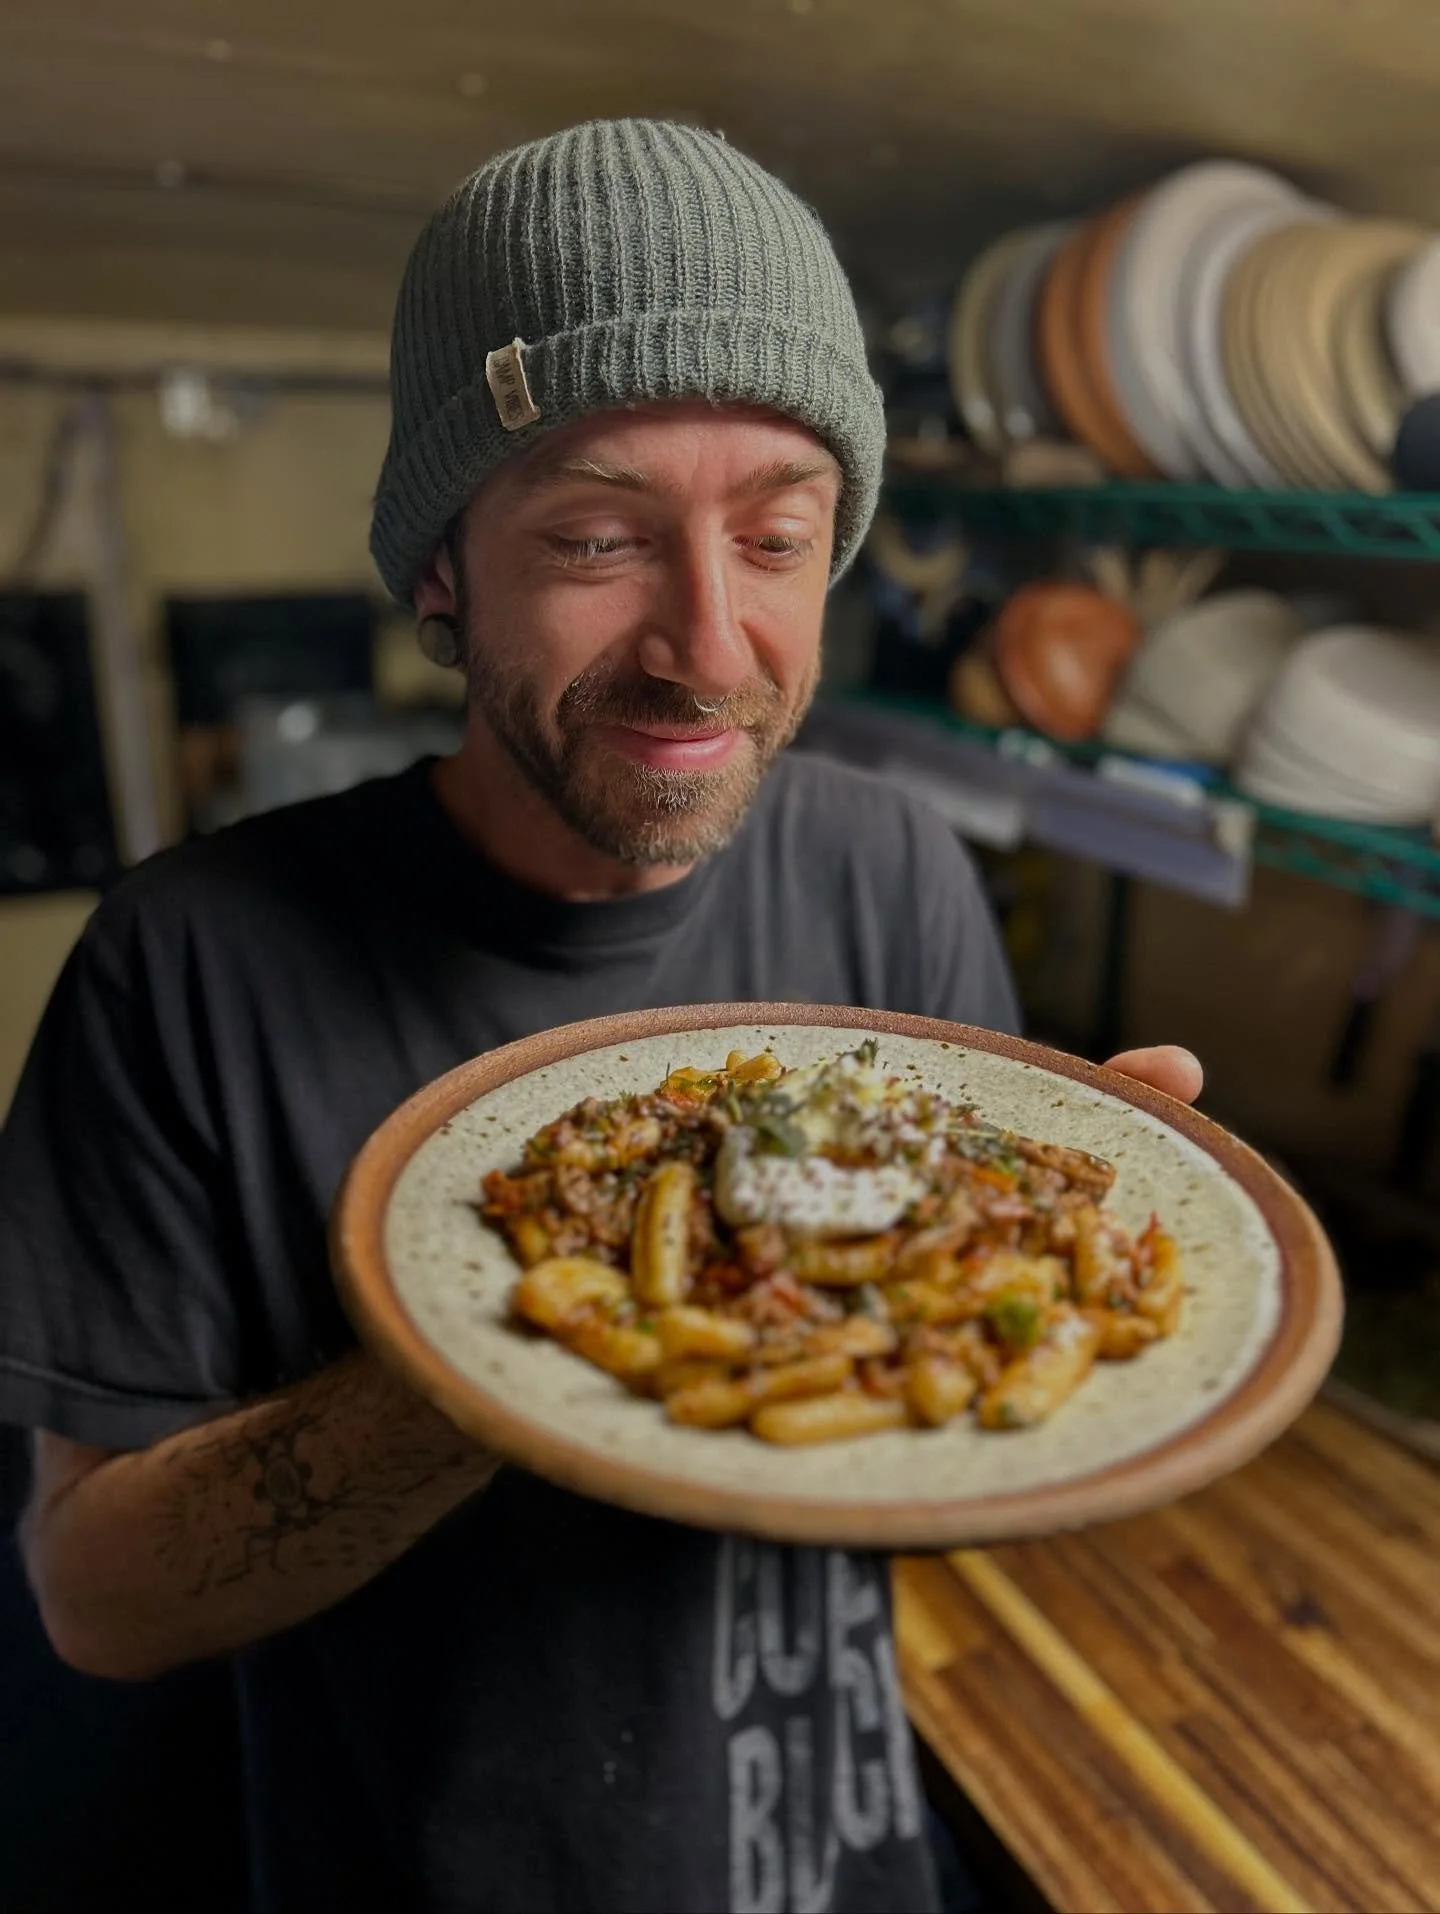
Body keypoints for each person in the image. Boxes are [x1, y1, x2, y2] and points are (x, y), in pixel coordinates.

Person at [0, 120, 1201, 1914]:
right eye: (595, 534)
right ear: (440, 569)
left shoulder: (895, 869)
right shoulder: (189, 962)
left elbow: (930, 1456)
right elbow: (96, 1600)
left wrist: (1033, 1272)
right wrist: (511, 1354)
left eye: (777, 536)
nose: (708, 643)